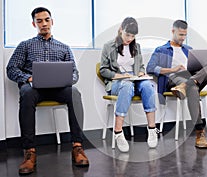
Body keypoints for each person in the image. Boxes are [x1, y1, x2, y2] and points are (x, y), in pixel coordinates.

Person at [6, 7, 89, 175]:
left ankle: (77, 147)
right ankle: (30, 152)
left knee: (74, 93)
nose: (44, 24)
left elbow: (75, 72)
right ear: (33, 23)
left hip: (58, 89)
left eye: (46, 20)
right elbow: (11, 68)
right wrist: (28, 78)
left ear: (52, 21)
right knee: (26, 93)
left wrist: (68, 80)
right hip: (35, 89)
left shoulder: (64, 47)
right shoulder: (25, 45)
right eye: (39, 21)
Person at [146, 20, 207, 149]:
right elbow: (150, 68)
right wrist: (172, 70)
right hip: (173, 79)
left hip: (193, 78)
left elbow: (198, 67)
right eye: (180, 35)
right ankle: (199, 132)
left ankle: (187, 85)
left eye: (185, 35)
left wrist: (199, 70)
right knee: (192, 88)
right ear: (173, 31)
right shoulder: (161, 49)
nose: (183, 38)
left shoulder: (189, 49)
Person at [99, 17, 158, 152]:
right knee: (126, 85)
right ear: (121, 30)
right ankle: (118, 132)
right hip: (117, 82)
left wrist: (142, 73)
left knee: (148, 85)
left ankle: (152, 129)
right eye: (127, 34)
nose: (129, 38)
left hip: (135, 79)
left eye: (132, 36)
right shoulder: (108, 46)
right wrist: (121, 76)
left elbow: (141, 66)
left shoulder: (136, 47)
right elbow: (103, 70)